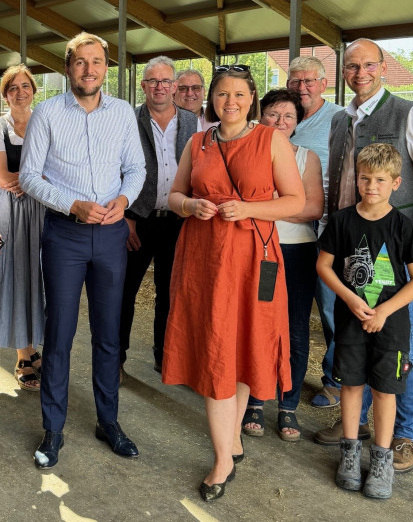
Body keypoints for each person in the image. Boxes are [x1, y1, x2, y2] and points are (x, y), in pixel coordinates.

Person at [162, 64, 305, 501]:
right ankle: (225, 454)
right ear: (212, 99)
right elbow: (173, 196)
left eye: (239, 95)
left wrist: (248, 210)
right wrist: (191, 205)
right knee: (217, 348)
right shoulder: (197, 142)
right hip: (204, 259)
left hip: (252, 258)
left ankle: (229, 448)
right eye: (222, 94)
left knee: (243, 345)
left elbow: (297, 202)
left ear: (252, 99)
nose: (231, 102)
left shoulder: (271, 140)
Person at [20, 32, 146, 469]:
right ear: (67, 66)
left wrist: (125, 200)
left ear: (106, 67)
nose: (89, 69)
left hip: (111, 236)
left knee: (109, 335)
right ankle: (53, 429)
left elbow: (136, 167)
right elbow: (29, 177)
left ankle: (108, 421)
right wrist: (71, 204)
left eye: (97, 62)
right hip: (65, 234)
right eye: (80, 62)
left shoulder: (123, 113)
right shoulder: (47, 113)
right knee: (60, 335)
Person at [313, 39, 413, 476]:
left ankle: (404, 435)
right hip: (347, 239)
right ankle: (357, 426)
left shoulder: (409, 114)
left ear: (383, 67)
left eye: (368, 64)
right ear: (343, 71)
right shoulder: (342, 120)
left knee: (402, 347)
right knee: (351, 333)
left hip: (396, 243)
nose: (359, 72)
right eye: (351, 66)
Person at [317, 143, 413, 499]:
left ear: (395, 182)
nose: (371, 186)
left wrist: (384, 311)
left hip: (390, 325)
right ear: (357, 179)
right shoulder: (342, 221)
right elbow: (324, 265)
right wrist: (349, 298)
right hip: (351, 321)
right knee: (350, 385)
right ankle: (350, 454)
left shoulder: (403, 226)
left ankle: (380, 460)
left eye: (380, 180)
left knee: (384, 390)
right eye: (365, 178)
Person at [243, 89, 323, 442]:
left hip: (296, 252)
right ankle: (257, 400)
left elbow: (312, 208)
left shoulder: (307, 158)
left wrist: (267, 204)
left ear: (297, 122)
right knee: (260, 323)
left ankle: (288, 404)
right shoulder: (248, 153)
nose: (280, 122)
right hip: (260, 249)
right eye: (273, 114)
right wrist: (286, 201)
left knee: (294, 327)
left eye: (288, 116)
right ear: (260, 116)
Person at [119, 56, 198, 377]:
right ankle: (116, 361)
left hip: (179, 221)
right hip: (138, 219)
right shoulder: (127, 120)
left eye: (166, 81)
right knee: (124, 292)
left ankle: (164, 357)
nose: (160, 87)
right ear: (143, 86)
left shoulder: (193, 123)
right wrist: (125, 214)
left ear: (175, 86)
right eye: (153, 81)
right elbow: (116, 168)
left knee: (170, 292)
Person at [285, 56, 345, 409]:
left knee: (330, 306)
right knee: (289, 308)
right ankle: (282, 371)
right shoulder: (281, 120)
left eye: (310, 81)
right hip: (288, 231)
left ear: (324, 84)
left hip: (326, 228)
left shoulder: (339, 119)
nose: (302, 87)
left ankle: (335, 379)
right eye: (296, 81)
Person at [0, 64, 45, 391]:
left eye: (25, 86)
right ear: (5, 94)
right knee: (16, 275)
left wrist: (29, 180)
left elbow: (60, 169)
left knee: (41, 276)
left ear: (33, 89)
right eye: (12, 88)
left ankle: (35, 345)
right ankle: (23, 352)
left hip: (43, 210)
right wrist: (36, 179)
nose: (20, 92)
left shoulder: (45, 119)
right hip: (10, 211)